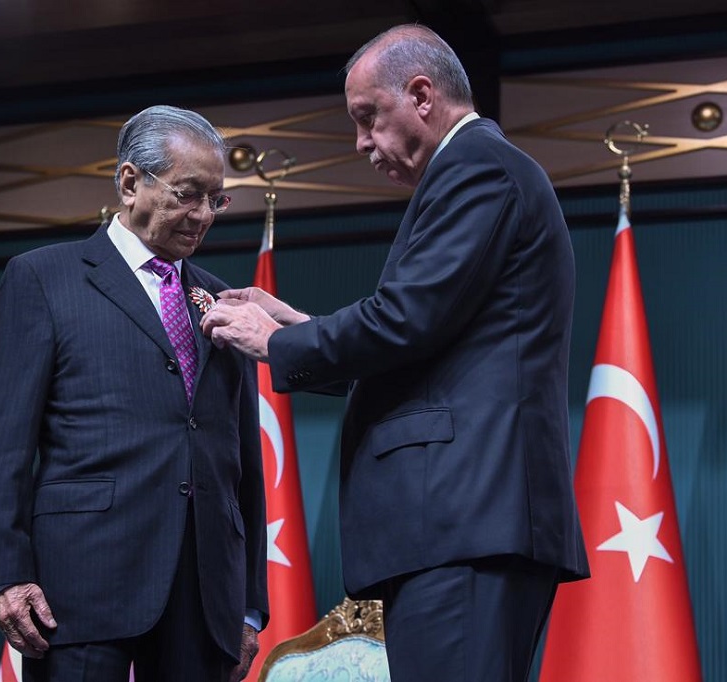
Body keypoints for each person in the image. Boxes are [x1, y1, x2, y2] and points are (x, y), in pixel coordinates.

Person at [200, 24, 589, 682]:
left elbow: (406, 319)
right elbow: (429, 342)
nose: (360, 144)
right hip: (462, 524)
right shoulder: (476, 173)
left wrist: (277, 342)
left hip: (465, 519)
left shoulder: (478, 169)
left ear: (421, 95)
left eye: (367, 118)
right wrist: (297, 320)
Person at [0, 104, 268, 682]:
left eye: (216, 199)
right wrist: (8, 575)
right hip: (79, 588)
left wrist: (249, 603)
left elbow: (242, 464)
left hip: (206, 595)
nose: (204, 214)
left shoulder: (224, 301)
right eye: (188, 193)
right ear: (131, 182)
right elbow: (4, 442)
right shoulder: (43, 277)